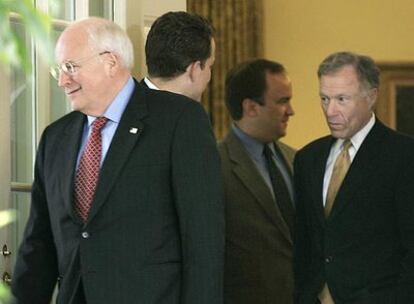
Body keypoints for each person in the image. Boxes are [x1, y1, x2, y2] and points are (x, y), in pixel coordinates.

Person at [11, 17, 224, 304]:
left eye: (70, 67)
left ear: (110, 62)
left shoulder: (179, 120)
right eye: (58, 70)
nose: (63, 80)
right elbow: (39, 245)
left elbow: (203, 241)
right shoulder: (56, 138)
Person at [294, 51, 414, 304]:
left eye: (342, 99)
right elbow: (304, 243)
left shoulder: (404, 156)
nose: (330, 111)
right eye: (324, 99)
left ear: (371, 97)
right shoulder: (307, 158)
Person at [219, 59, 296, 304]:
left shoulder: (298, 160)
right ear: (251, 107)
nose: (291, 111)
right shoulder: (213, 166)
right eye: (283, 101)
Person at [143, 11, 215, 102]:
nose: (209, 78)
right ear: (195, 70)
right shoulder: (195, 114)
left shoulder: (125, 107)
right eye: (210, 67)